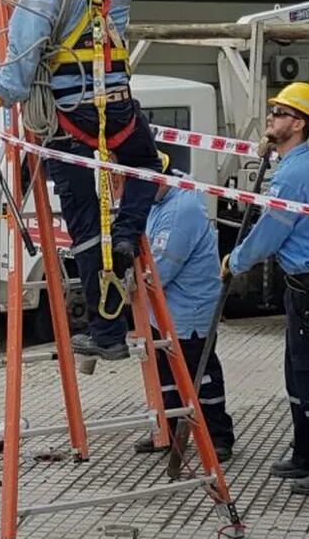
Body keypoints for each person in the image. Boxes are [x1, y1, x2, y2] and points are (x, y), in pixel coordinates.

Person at [0, 0, 162, 360]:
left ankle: (107, 334)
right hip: (118, 107)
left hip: (67, 114)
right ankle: (128, 230)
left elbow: (24, 48)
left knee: (85, 224)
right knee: (146, 166)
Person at [223, 82, 309, 495]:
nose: (271, 118)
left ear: (298, 123)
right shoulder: (305, 161)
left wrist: (235, 261)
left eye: (279, 114)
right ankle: (306, 454)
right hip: (306, 285)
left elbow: (270, 234)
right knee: (297, 376)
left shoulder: (296, 173)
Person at [132, 152, 234, 461]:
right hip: (163, 311)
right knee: (165, 374)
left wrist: (127, 289)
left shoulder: (181, 209)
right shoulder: (157, 202)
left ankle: (218, 435)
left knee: (200, 375)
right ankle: (167, 431)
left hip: (190, 312)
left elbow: (161, 268)